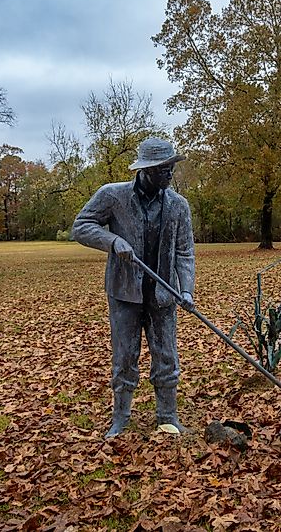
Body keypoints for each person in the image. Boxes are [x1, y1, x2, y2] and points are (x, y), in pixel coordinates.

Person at [71, 137, 195, 438]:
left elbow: (184, 252)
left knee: (167, 356)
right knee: (125, 357)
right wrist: (113, 241)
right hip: (125, 293)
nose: (169, 175)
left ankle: (167, 417)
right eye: (164, 169)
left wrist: (187, 289)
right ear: (146, 170)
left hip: (163, 295)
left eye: (171, 168)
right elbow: (82, 226)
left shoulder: (178, 205)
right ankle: (121, 418)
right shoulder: (112, 196)